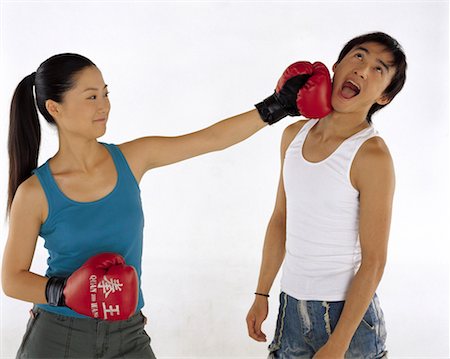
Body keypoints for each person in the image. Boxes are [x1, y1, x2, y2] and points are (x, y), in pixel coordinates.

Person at [2, 52, 331, 358]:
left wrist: (276, 106)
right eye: (91, 97)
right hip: (59, 335)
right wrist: (65, 291)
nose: (104, 105)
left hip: (127, 334)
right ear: (54, 108)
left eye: (105, 93)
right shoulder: (35, 192)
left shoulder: (132, 158)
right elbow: (12, 279)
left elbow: (210, 139)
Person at [246, 32, 407, 359]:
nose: (363, 69)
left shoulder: (372, 155)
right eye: (359, 56)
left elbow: (374, 260)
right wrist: (261, 292)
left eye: (379, 69)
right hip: (290, 308)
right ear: (336, 65)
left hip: (347, 319)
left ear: (384, 97)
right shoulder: (292, 135)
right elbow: (281, 219)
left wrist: (339, 342)